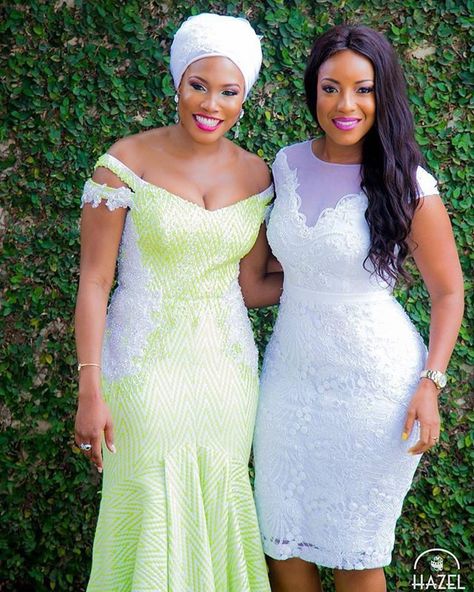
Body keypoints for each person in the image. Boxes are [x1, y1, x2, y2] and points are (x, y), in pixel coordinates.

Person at [251, 25, 464, 592]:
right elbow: (264, 282)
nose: (345, 105)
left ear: (382, 94)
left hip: (374, 387)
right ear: (312, 92)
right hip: (289, 383)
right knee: (282, 543)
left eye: (363, 89)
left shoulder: (407, 182)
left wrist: (430, 384)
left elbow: (448, 292)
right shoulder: (286, 164)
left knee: (355, 555)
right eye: (330, 88)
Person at [74, 13, 280, 591]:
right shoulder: (124, 164)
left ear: (245, 98)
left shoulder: (260, 176)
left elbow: (254, 285)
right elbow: (93, 282)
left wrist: (338, 278)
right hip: (141, 367)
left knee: (222, 491)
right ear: (176, 82)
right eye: (199, 85)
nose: (211, 103)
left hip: (227, 373)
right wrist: (90, 387)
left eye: (228, 91)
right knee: (147, 496)